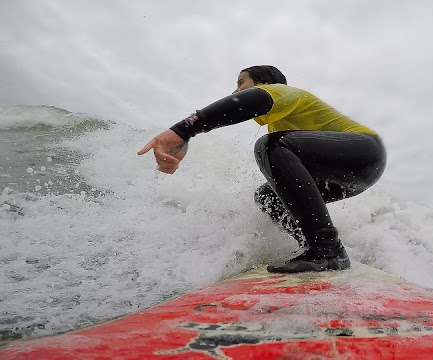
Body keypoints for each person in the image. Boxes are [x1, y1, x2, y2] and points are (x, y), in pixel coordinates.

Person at [138, 65, 386, 273]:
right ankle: (318, 250)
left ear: (263, 82)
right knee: (268, 196)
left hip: (364, 150)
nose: (235, 91)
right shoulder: (283, 120)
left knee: (271, 146)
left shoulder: (282, 92)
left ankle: (328, 250)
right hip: (353, 176)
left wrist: (183, 131)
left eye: (241, 82)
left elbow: (254, 99)